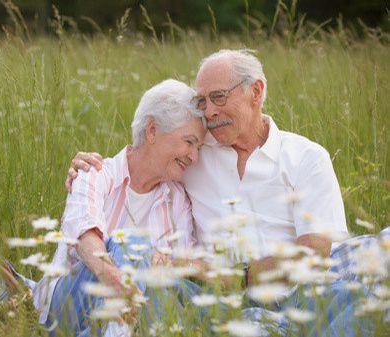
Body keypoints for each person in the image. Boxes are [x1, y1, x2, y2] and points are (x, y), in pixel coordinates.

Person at [65, 50, 376, 336]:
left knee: (365, 292)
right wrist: (89, 167)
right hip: (215, 300)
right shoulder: (196, 154)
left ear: (256, 92)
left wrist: (241, 276)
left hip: (297, 296)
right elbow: (148, 156)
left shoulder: (306, 157)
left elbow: (311, 256)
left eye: (218, 97)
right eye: (203, 102)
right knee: (147, 272)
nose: (210, 112)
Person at [32, 79, 207, 336]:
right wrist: (114, 276)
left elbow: (184, 269)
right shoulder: (93, 173)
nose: (194, 157)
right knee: (132, 244)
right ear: (152, 131)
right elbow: (84, 233)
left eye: (199, 147)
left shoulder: (177, 199)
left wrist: (166, 263)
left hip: (138, 313)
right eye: (189, 142)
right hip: (71, 304)